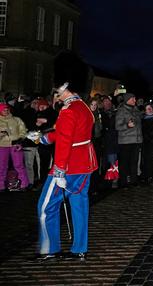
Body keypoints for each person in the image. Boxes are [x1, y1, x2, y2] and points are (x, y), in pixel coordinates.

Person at [31, 52, 98, 262]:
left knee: (45, 207)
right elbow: (67, 134)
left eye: (57, 90)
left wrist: (59, 169)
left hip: (68, 166)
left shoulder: (68, 110)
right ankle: (80, 248)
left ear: (64, 85)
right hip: (85, 164)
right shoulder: (84, 107)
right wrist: (43, 138)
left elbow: (66, 141)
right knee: (79, 206)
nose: (55, 93)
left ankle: (49, 248)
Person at [115, 93, 143, 187]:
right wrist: (127, 125)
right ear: (128, 100)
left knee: (134, 161)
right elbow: (117, 126)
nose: (135, 101)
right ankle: (123, 182)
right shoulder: (121, 111)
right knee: (124, 162)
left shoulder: (136, 110)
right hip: (125, 141)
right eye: (133, 99)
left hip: (136, 140)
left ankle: (133, 180)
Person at [0, 103, 29, 191]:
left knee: (19, 165)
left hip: (15, 144)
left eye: (7, 109)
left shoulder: (17, 120)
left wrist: (20, 139)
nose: (6, 111)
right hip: (2, 145)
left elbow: (23, 130)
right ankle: (1, 185)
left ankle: (24, 184)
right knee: (2, 166)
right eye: (3, 109)